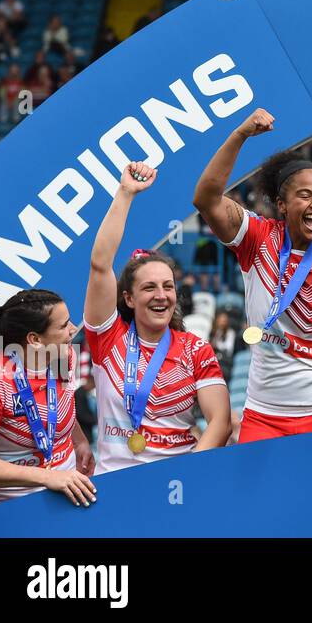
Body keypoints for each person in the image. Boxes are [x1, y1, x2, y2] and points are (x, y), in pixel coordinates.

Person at [192, 108, 312, 447]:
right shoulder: (258, 239)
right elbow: (205, 198)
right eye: (304, 195)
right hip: (265, 417)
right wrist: (240, 135)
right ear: (281, 204)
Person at [84, 163, 230, 471]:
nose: (161, 295)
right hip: (116, 484)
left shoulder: (195, 348)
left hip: (179, 478)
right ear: (129, 298)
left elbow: (219, 421)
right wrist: (125, 192)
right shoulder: (108, 339)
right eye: (149, 288)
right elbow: (100, 264)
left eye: (168, 286)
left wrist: (191, 471)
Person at [0, 289, 96, 507]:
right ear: (35, 339)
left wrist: (79, 442)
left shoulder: (64, 354)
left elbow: (60, 404)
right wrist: (46, 477)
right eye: (63, 326)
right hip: (12, 506)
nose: (73, 330)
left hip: (68, 489)